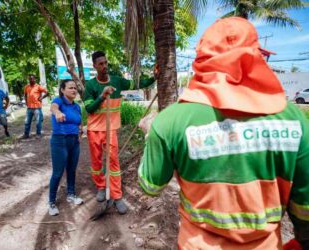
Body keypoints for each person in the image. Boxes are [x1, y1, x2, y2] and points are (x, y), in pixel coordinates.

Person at [138, 17, 309, 249]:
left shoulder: (170, 121)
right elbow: (304, 208)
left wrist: (151, 133)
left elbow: (150, 186)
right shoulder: (294, 120)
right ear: (256, 58)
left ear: (201, 60)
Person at [84, 51, 158, 215]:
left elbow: (137, 83)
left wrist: (154, 77)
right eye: (100, 64)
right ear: (95, 66)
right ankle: (101, 187)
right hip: (94, 130)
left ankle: (117, 197)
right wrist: (102, 96)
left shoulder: (117, 81)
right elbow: (89, 108)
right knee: (96, 162)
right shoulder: (90, 86)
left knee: (114, 163)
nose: (104, 66)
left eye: (105, 63)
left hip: (111, 129)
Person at [48, 79, 84, 216]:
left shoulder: (76, 106)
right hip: (60, 141)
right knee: (57, 173)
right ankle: (51, 202)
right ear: (63, 90)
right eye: (70, 88)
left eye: (75, 88)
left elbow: (79, 122)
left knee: (72, 170)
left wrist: (80, 132)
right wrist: (57, 113)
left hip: (74, 142)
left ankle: (71, 194)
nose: (74, 90)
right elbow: (53, 108)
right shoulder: (58, 101)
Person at [22, 75, 48, 139]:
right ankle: (26, 134)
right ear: (29, 80)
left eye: (32, 79)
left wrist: (41, 97)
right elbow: (25, 94)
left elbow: (47, 92)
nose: (31, 80)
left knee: (38, 122)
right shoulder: (26, 87)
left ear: (35, 79)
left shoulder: (38, 86)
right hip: (29, 108)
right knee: (27, 122)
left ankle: (38, 134)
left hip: (37, 107)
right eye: (30, 79)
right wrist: (26, 102)